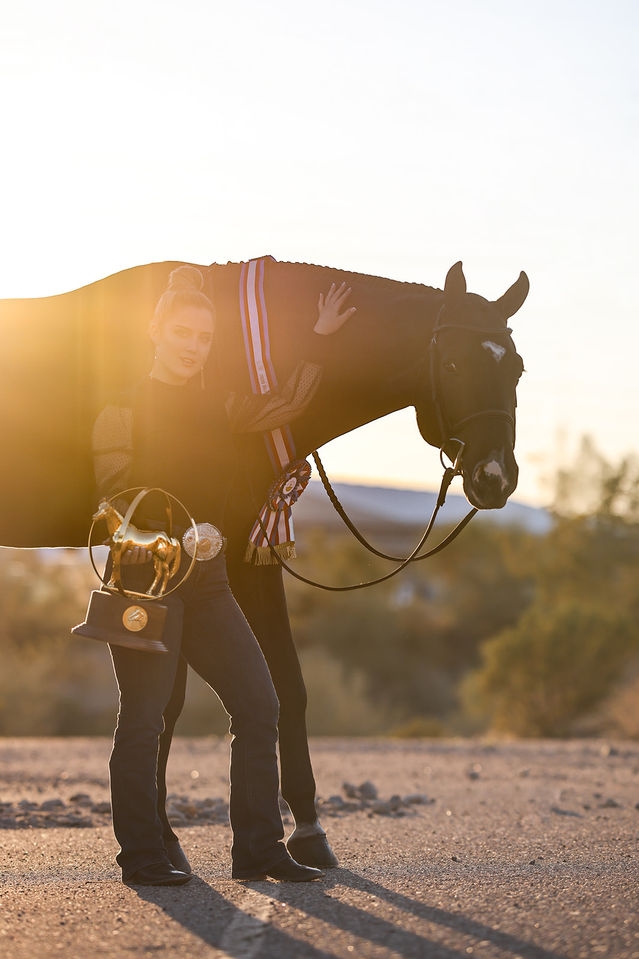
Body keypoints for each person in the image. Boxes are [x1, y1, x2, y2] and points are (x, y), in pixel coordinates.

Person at [92, 265, 354, 886]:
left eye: (204, 337)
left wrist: (316, 339)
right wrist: (182, 530)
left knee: (261, 706)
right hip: (141, 580)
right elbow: (114, 504)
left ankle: (258, 851)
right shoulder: (119, 411)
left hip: (209, 583)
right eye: (182, 332)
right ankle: (142, 856)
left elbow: (286, 403)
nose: (193, 345)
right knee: (144, 718)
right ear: (156, 330)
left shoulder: (221, 404)